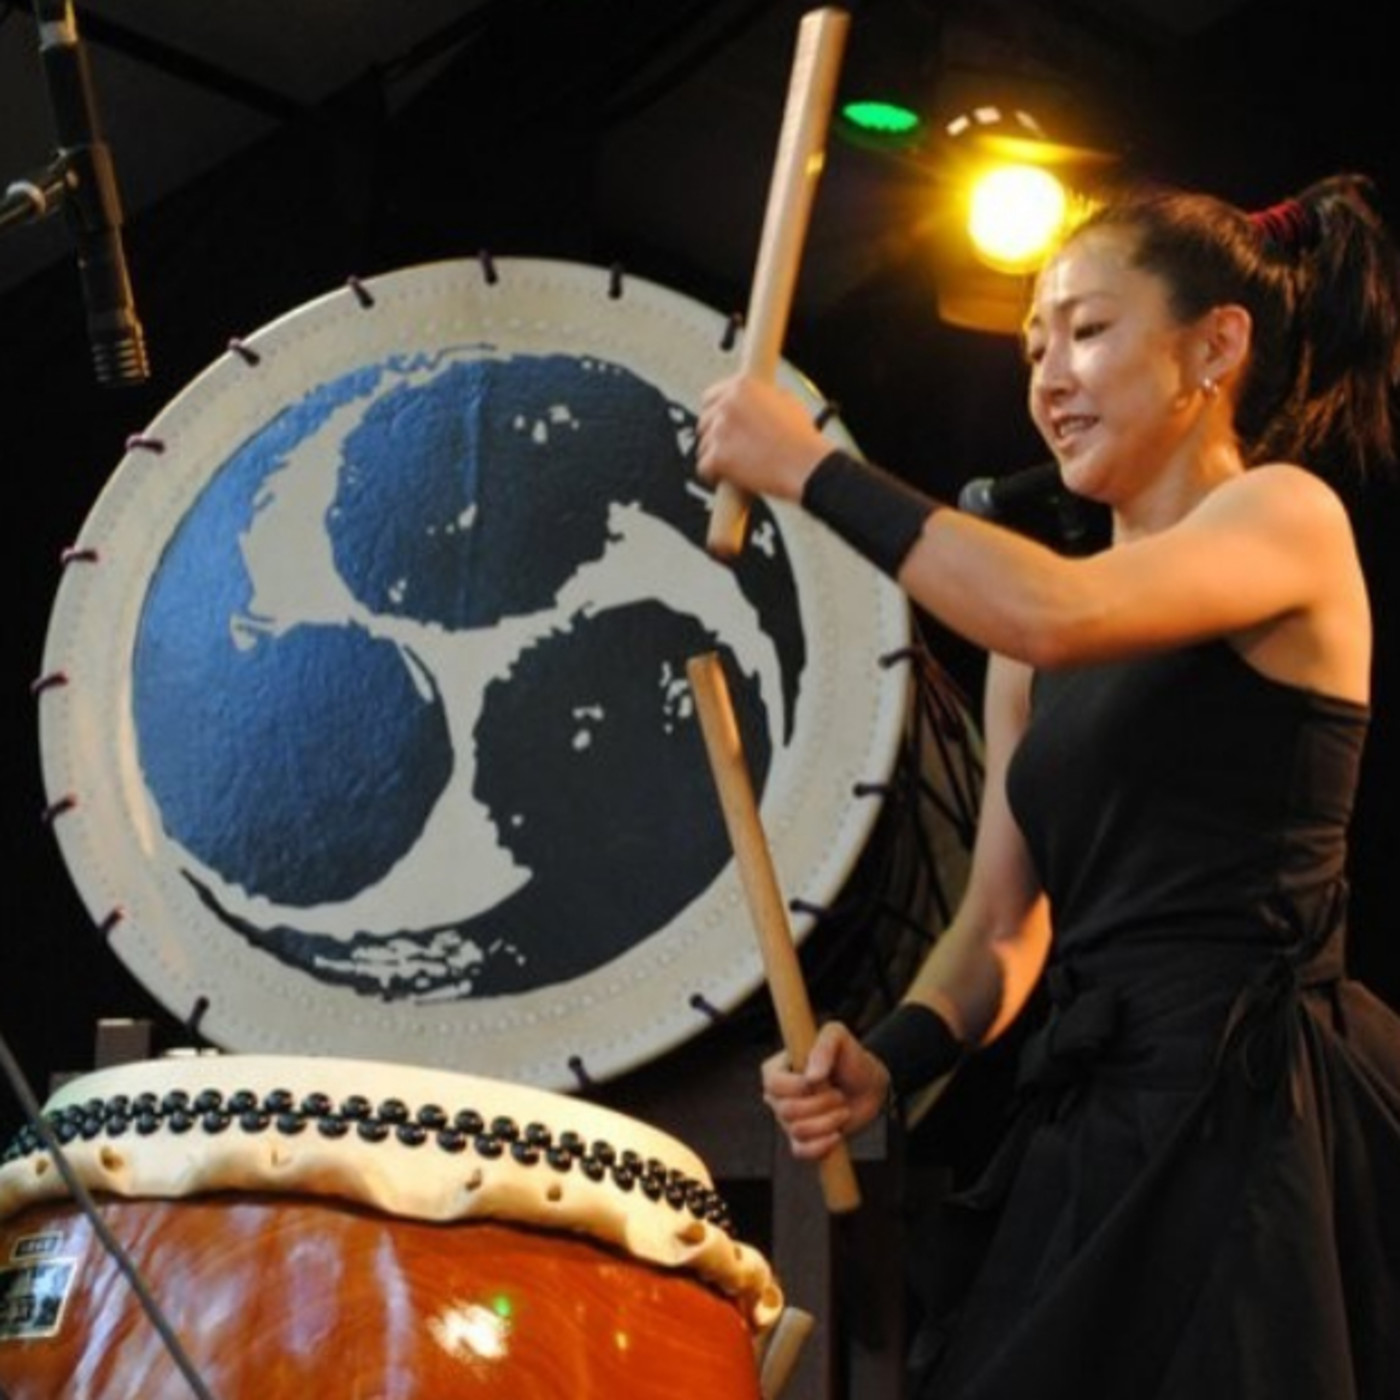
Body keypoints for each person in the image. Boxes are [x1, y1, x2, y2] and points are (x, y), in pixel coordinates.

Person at [695, 172, 1400, 1398]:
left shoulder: (1283, 516)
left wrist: (811, 469)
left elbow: (1054, 607)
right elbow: (999, 927)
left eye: (1085, 329)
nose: (1048, 378)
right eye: (1031, 347)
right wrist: (890, 1053)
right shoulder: (1025, 648)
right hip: (1095, 1115)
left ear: (1214, 347)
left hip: (1251, 1105)